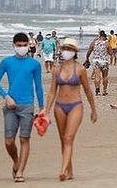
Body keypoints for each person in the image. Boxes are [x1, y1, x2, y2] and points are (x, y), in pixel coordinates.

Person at [0, 32, 44, 183]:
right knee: (9, 141)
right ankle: (16, 161)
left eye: (24, 45)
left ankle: (20, 171)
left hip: (27, 105)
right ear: (14, 46)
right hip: (11, 105)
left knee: (24, 139)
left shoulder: (34, 64)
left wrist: (41, 107)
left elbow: (38, 87)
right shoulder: (7, 62)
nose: (22, 48)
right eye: (19, 45)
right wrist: (6, 96)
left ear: (29, 45)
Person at [45, 38, 97, 181]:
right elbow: (51, 92)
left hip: (75, 105)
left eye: (70, 49)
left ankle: (62, 170)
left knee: (69, 138)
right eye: (65, 48)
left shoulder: (79, 69)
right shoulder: (56, 69)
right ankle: (70, 170)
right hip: (59, 106)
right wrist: (46, 111)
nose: (66, 51)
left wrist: (93, 109)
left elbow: (87, 90)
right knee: (63, 140)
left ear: (74, 52)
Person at [86, 30, 112, 96]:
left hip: (96, 61)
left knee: (97, 76)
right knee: (105, 76)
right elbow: (111, 53)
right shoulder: (107, 43)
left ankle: (97, 90)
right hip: (104, 61)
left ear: (99, 35)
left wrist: (87, 58)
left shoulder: (94, 42)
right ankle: (104, 90)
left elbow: (89, 51)